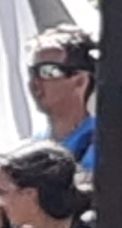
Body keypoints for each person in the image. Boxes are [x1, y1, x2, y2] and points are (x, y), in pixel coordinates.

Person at [29, 25, 98, 170]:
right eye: (32, 72)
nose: (35, 82)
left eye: (48, 72)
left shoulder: (104, 143)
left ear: (80, 81)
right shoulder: (35, 144)